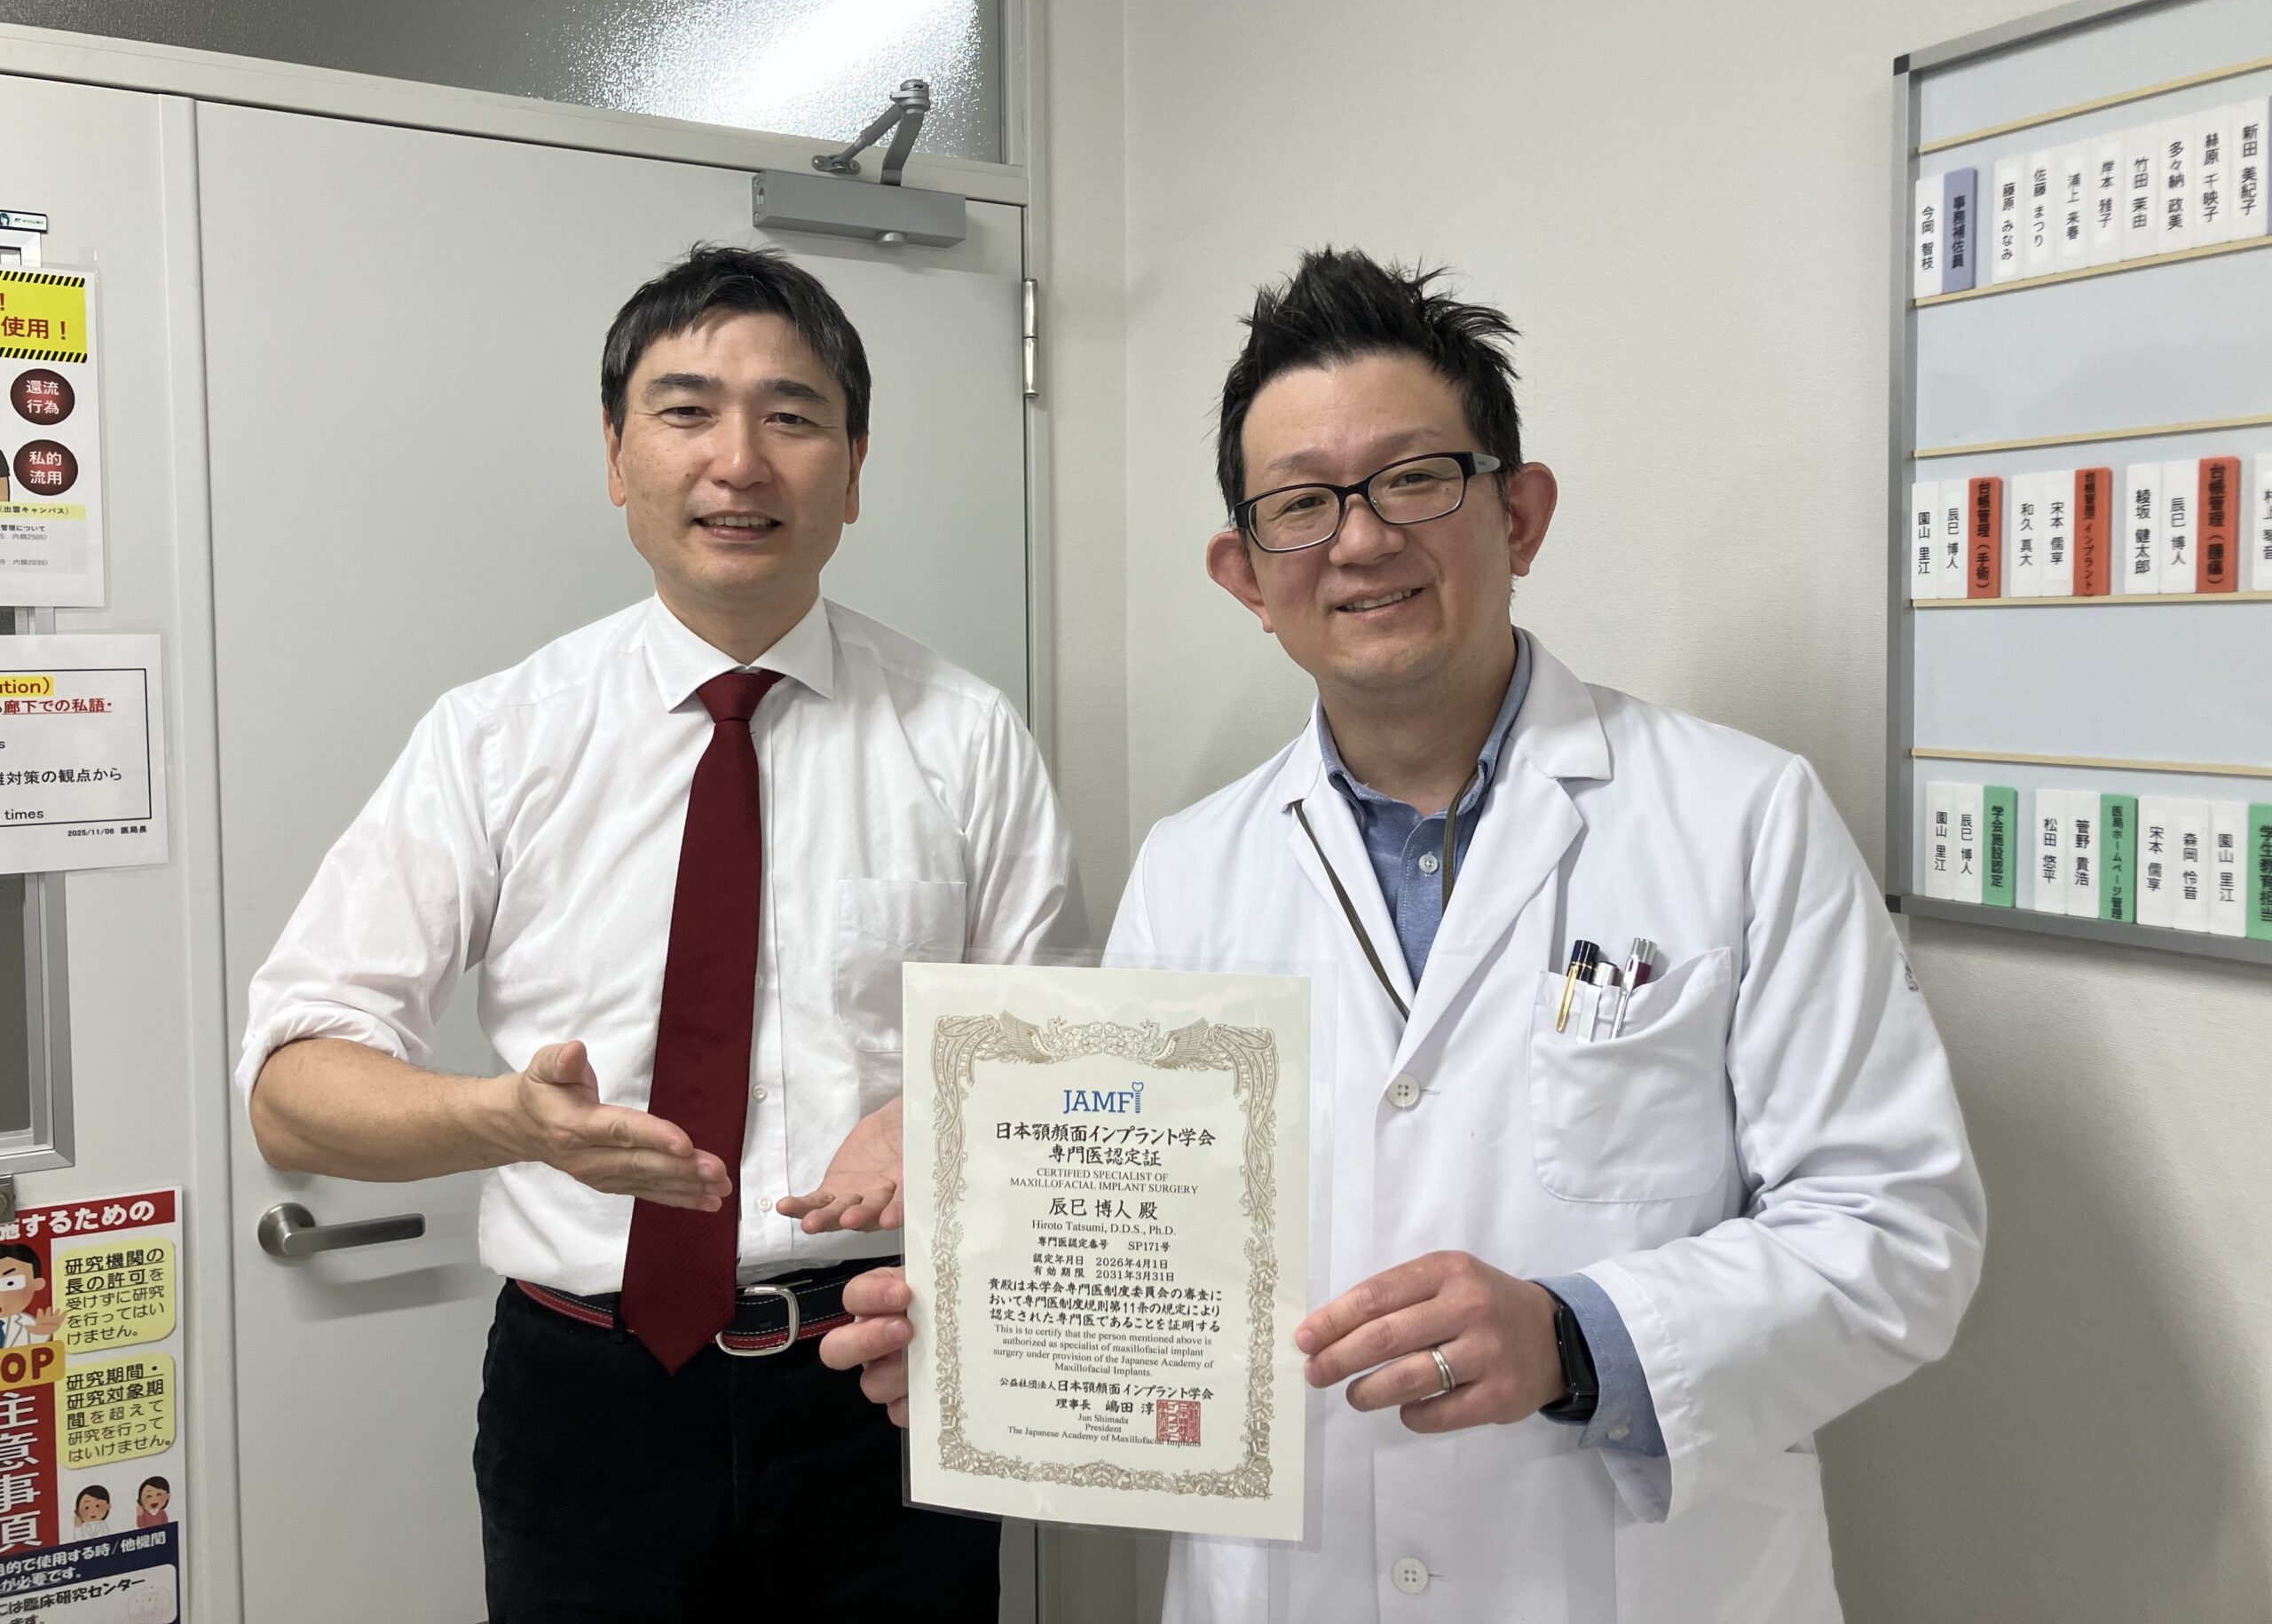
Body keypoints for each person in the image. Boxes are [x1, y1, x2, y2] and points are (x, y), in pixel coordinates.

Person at [817, 248, 1986, 1620]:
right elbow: (1146, 1237)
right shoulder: (1191, 871)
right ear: (1246, 574)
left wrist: (1576, 1339)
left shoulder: (1745, 817)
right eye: (1301, 505)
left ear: (1521, 515)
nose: (1362, 540)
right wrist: (997, 1342)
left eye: (1416, 479)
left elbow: (1898, 1229)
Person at [239, 245, 1085, 1622]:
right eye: (687, 410)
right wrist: (509, 1122)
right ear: (616, 456)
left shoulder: (965, 737)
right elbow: (291, 1088)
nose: (738, 461)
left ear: (854, 471)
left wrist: (946, 1115)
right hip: (587, 1408)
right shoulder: (496, 739)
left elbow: (1066, 1064)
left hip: (887, 1373)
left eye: (792, 417)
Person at [0, 1243, 60, 1350]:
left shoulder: (27, 1322)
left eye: (10, 1283)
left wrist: (42, 1333)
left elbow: (34, 1347)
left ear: (37, 1284)